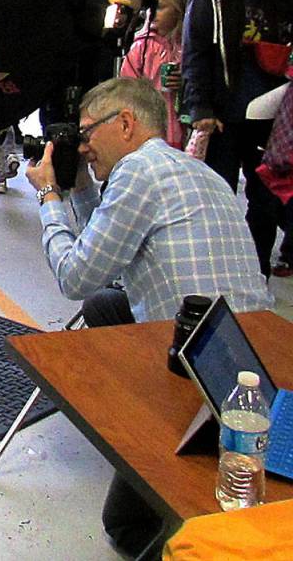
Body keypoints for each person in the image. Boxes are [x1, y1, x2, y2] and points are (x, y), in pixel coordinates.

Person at [25, 76, 272, 557]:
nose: (83, 146)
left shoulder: (138, 172)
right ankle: (139, 410)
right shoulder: (195, 170)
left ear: (125, 123)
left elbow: (75, 275)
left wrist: (48, 198)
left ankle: (164, 437)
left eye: (87, 134)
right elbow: (107, 252)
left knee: (125, 525)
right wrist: (77, 186)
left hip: (204, 373)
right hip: (248, 345)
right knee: (106, 306)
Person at [182, 0, 293, 278]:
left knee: (264, 205)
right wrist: (200, 107)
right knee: (217, 202)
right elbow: (195, 52)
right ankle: (213, 276)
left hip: (270, 120)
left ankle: (256, 279)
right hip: (223, 116)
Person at [119, 0, 190, 148]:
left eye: (160, 7)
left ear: (179, 11)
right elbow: (126, 85)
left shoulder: (189, 47)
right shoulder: (141, 46)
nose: (153, 12)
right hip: (149, 127)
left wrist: (184, 83)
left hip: (183, 128)